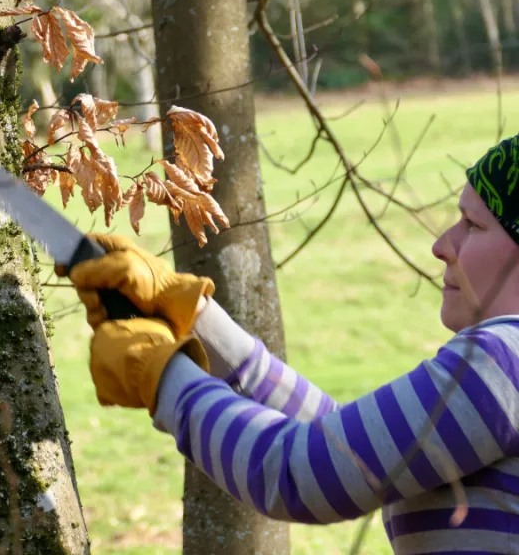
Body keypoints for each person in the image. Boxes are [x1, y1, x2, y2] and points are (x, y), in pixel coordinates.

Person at [59, 135, 519, 554]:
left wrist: (164, 376)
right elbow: (349, 451)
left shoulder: (504, 362)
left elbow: (300, 474)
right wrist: (196, 317)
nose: (442, 245)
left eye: (472, 225)